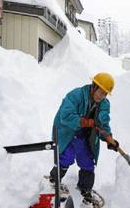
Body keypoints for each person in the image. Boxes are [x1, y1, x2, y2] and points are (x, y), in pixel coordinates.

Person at [49, 72, 120, 203]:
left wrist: (109, 139)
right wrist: (84, 122)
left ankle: (85, 189)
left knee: (87, 161)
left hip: (83, 135)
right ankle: (54, 180)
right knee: (67, 156)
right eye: (100, 91)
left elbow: (102, 123)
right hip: (66, 131)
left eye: (105, 94)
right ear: (94, 86)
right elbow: (66, 116)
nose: (102, 96)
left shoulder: (104, 104)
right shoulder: (76, 95)